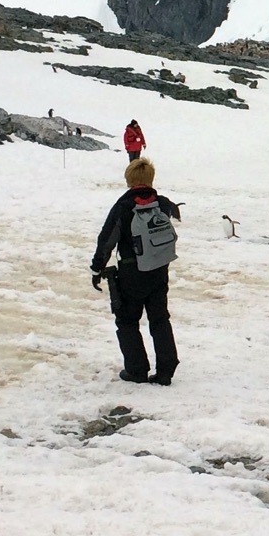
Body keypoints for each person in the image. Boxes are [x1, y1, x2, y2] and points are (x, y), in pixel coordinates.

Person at [90, 156, 182, 385]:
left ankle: (136, 370)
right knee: (159, 319)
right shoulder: (161, 203)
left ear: (129, 179)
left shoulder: (124, 206)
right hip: (159, 270)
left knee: (127, 320)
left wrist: (97, 268)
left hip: (132, 273)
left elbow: (107, 239)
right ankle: (165, 371)